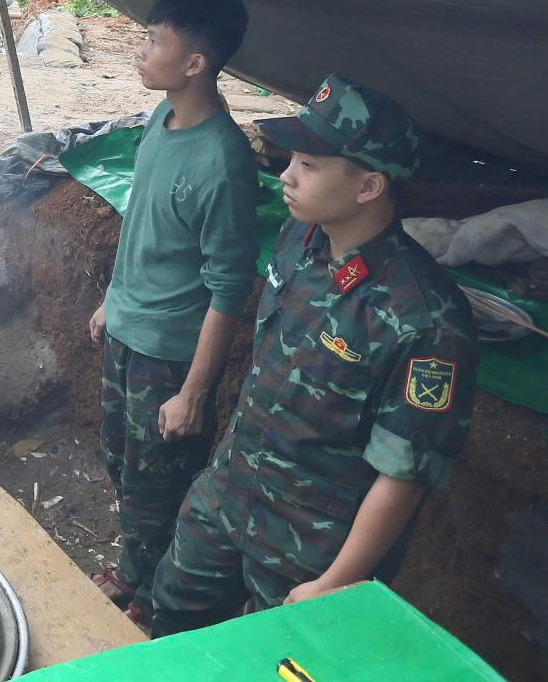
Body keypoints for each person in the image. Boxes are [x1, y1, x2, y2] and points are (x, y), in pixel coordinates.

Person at [147, 76, 479, 635]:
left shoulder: (426, 320)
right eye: (291, 159)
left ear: (369, 185)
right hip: (229, 491)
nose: (286, 176)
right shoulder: (301, 239)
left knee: (269, 661)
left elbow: (405, 473)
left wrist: (335, 583)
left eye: (309, 164)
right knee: (174, 617)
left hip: (310, 542)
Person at [86, 0, 257, 624]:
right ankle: (136, 570)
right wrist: (113, 298)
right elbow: (143, 223)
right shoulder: (162, 119)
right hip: (128, 331)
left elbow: (230, 286)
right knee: (121, 462)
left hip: (169, 357)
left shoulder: (223, 160)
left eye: (154, 40)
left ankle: (155, 600)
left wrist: (191, 393)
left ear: (195, 64)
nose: (140, 50)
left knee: (160, 485)